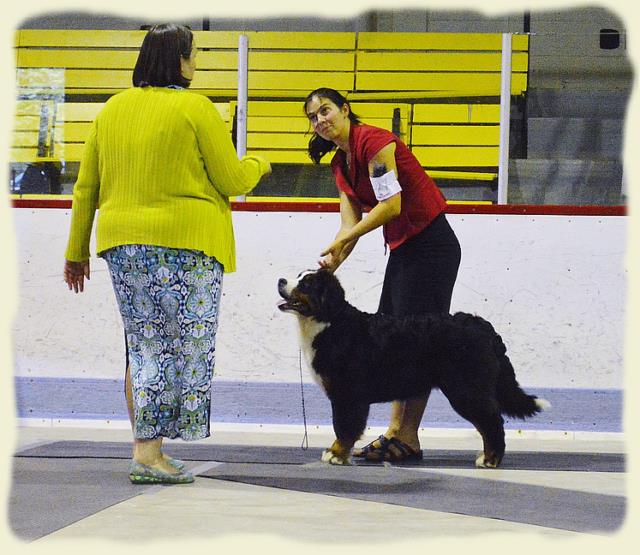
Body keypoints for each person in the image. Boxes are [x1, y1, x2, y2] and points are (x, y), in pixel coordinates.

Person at [63, 24, 271, 484]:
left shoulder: (112, 109)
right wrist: (262, 163)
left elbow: (85, 188)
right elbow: (233, 180)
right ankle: (147, 453)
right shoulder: (195, 108)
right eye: (192, 55)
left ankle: (149, 449)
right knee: (181, 349)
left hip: (123, 243)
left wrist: (76, 250)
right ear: (178, 60)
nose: (195, 63)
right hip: (188, 245)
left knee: (143, 345)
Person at [304, 87, 461, 462]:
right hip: (404, 250)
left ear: (345, 109)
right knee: (394, 342)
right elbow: (349, 224)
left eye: (325, 110)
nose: (321, 121)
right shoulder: (340, 165)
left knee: (417, 343)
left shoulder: (374, 143)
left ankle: (407, 436)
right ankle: (395, 432)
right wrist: (332, 262)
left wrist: (348, 237)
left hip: (431, 246)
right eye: (313, 117)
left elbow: (391, 206)